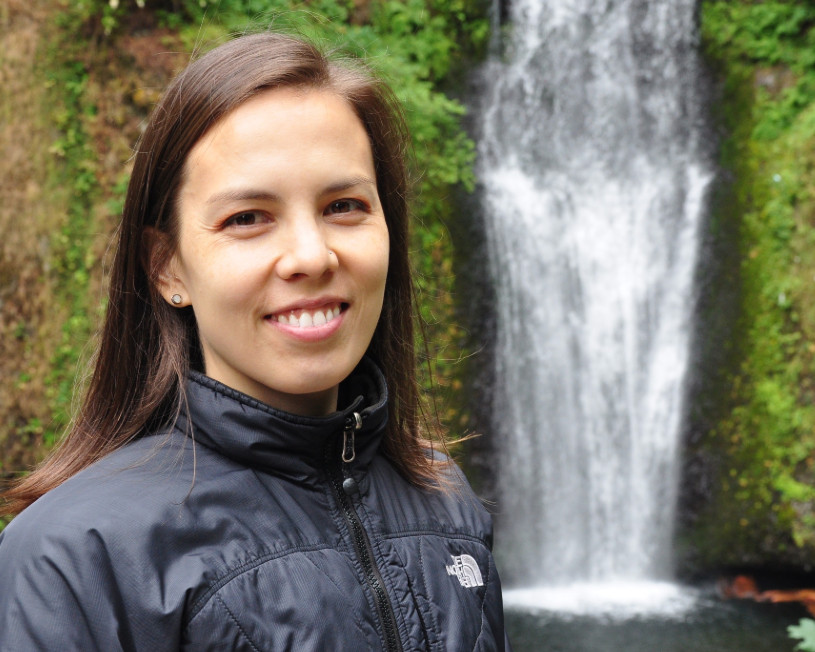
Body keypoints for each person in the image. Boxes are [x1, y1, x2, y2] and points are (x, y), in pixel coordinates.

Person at [0, 32, 510, 651]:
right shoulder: (78, 554)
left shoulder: (445, 504)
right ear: (167, 268)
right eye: (247, 218)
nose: (311, 256)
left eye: (344, 205)